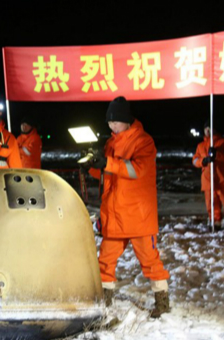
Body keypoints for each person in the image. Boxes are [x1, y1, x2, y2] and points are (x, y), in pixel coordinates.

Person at [83, 96, 170, 318]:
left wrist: (108, 163)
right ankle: (105, 298)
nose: (111, 125)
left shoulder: (144, 141)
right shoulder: (111, 142)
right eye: (109, 122)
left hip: (137, 214)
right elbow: (108, 174)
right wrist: (92, 167)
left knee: (150, 261)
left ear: (126, 120)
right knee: (105, 259)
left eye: (115, 121)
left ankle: (162, 302)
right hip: (114, 213)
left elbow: (137, 170)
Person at [192, 120, 224, 229]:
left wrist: (217, 155)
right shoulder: (200, 146)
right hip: (208, 180)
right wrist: (203, 161)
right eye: (206, 128)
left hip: (223, 179)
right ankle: (215, 223)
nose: (207, 130)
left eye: (210, 128)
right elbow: (195, 160)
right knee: (212, 204)